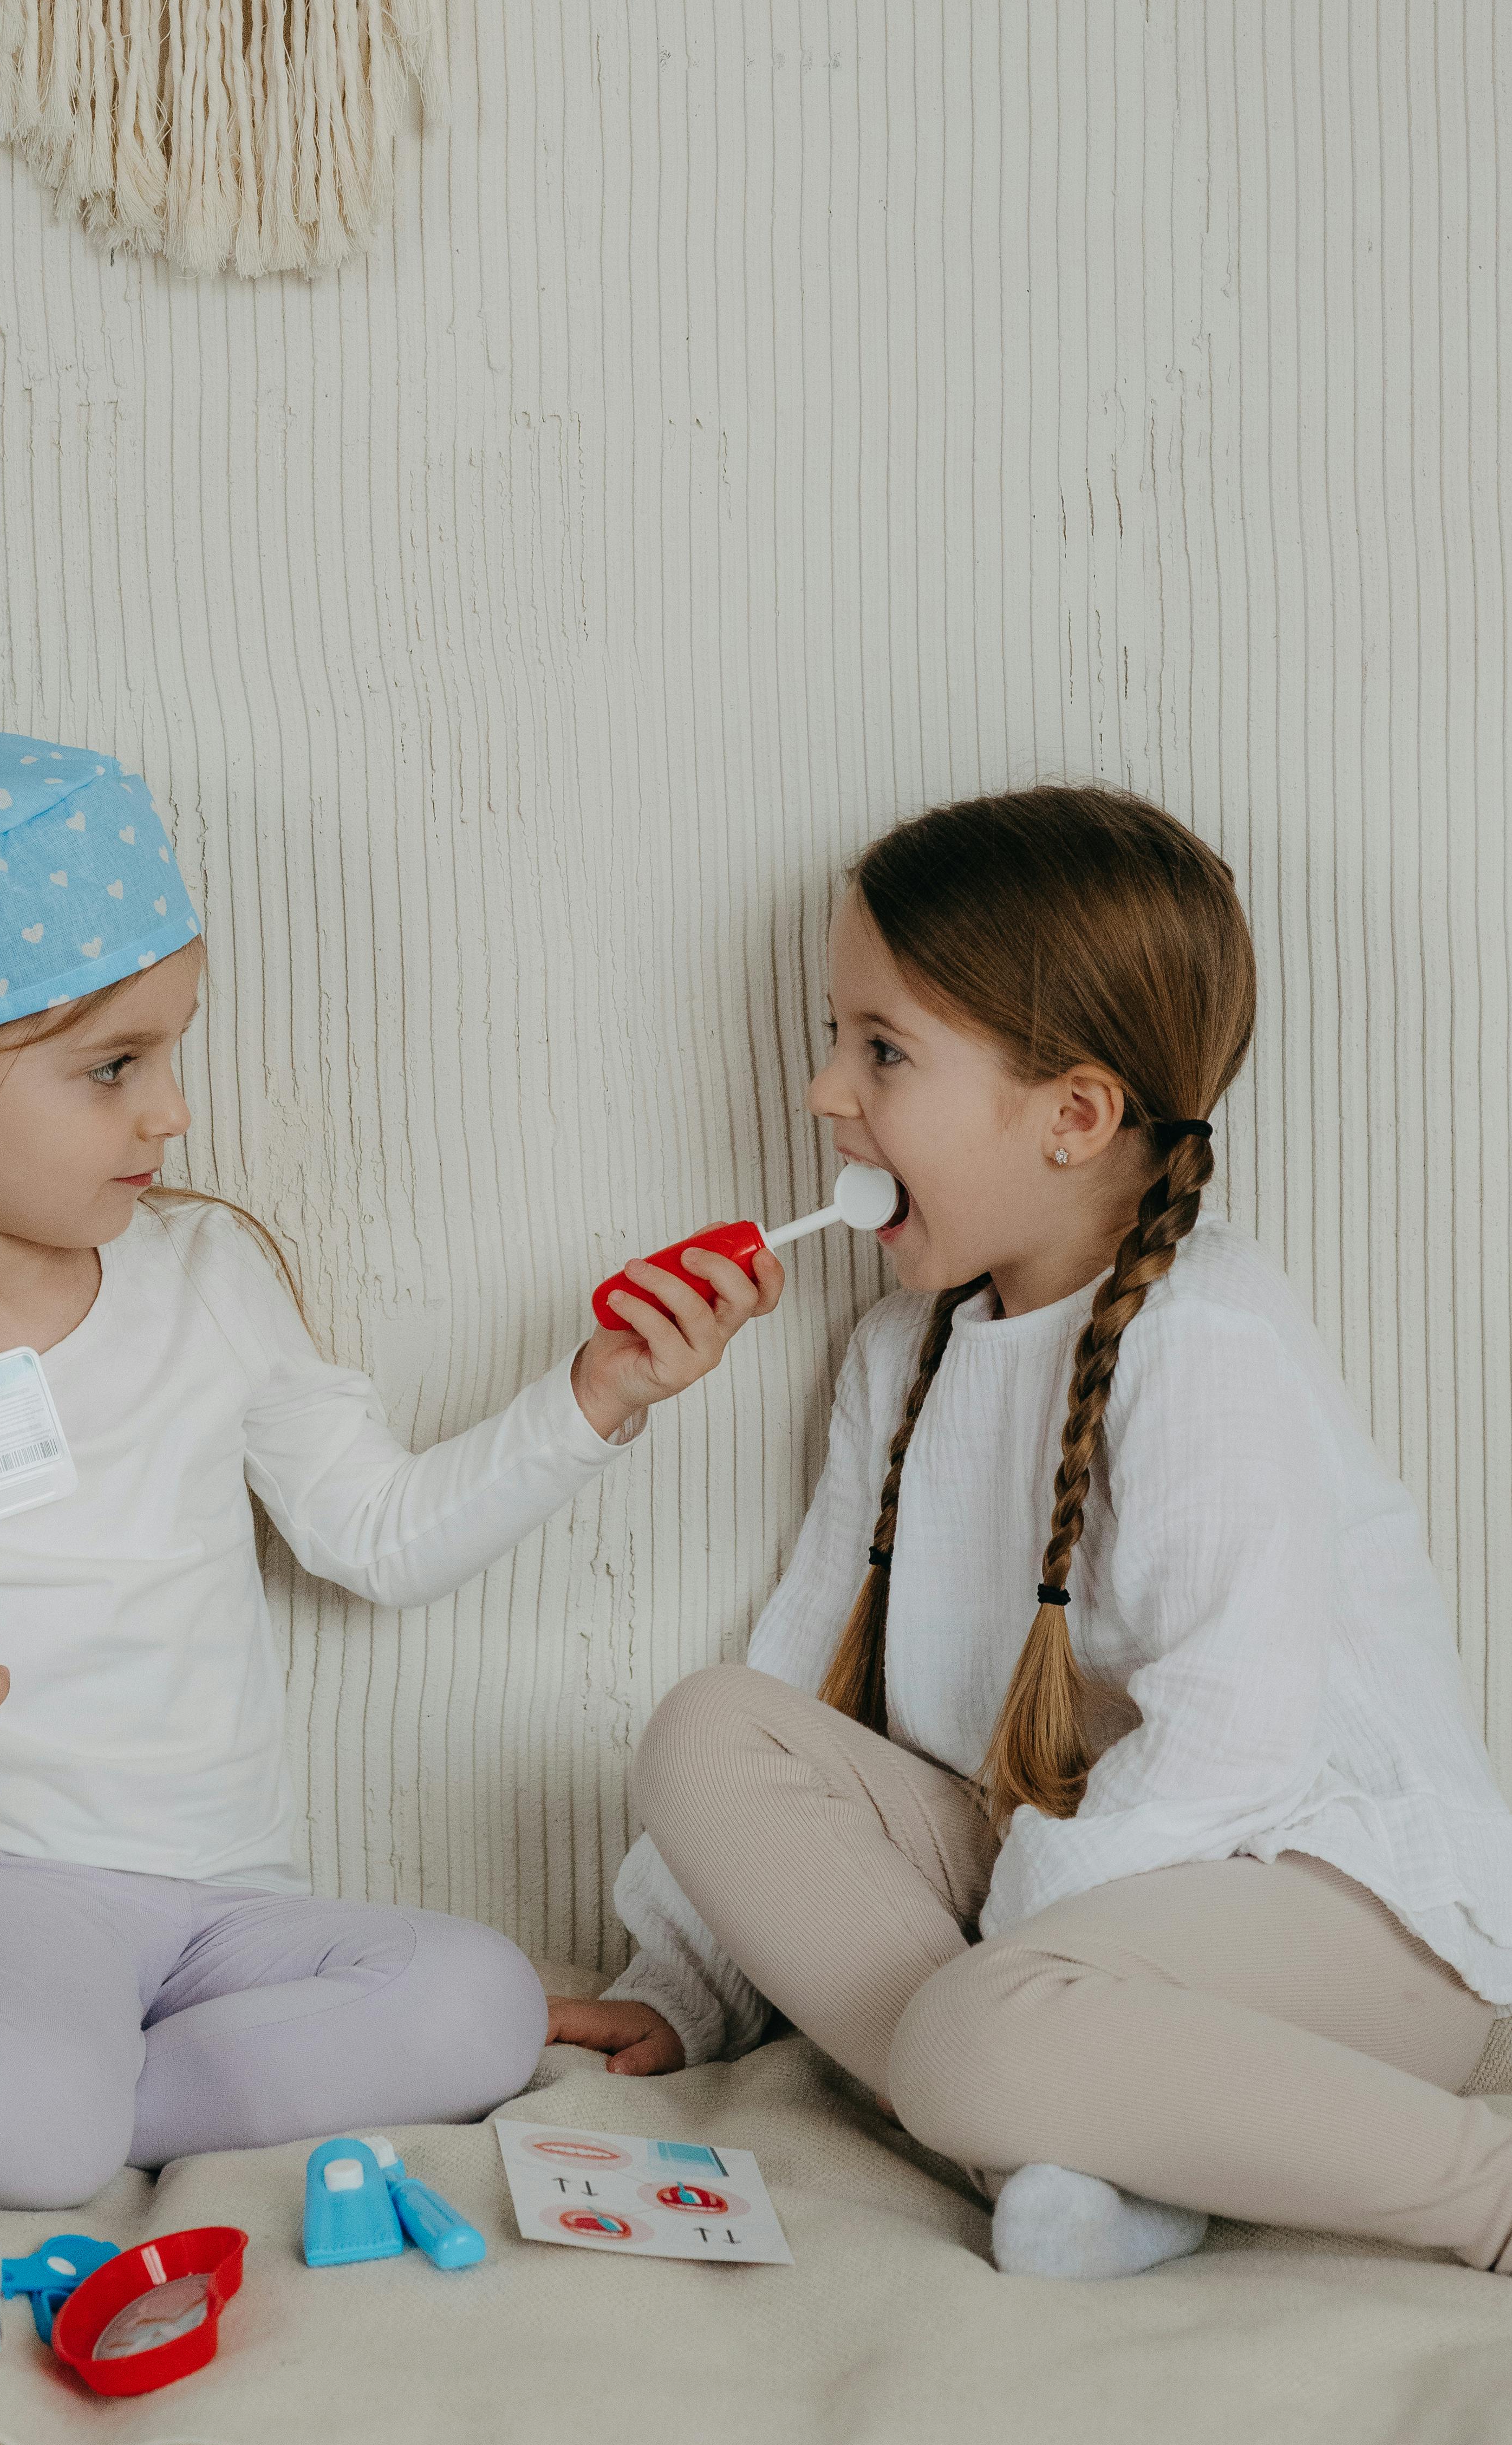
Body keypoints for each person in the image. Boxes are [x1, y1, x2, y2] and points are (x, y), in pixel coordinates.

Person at [0, 732, 778, 2208]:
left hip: (220, 1914)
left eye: (171, 1049)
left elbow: (376, 1535)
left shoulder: (206, 1275)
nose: (173, 1112)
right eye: (114, 1068)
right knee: (32, 2121)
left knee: (478, 2003)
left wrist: (592, 1401)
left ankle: (61, 2100)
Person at [550, 785, 1512, 2281]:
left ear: (1073, 1116)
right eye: (833, 1038)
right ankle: (1069, 2144)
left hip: (1340, 1913)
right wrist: (683, 1984)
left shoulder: (1205, 1334)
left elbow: (1237, 1742)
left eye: (882, 1050)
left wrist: (1017, 1942)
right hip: (1073, 1904)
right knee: (706, 1732)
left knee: (976, 2022)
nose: (825, 1091)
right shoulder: (901, 1354)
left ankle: (1481, 2188)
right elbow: (806, 1667)